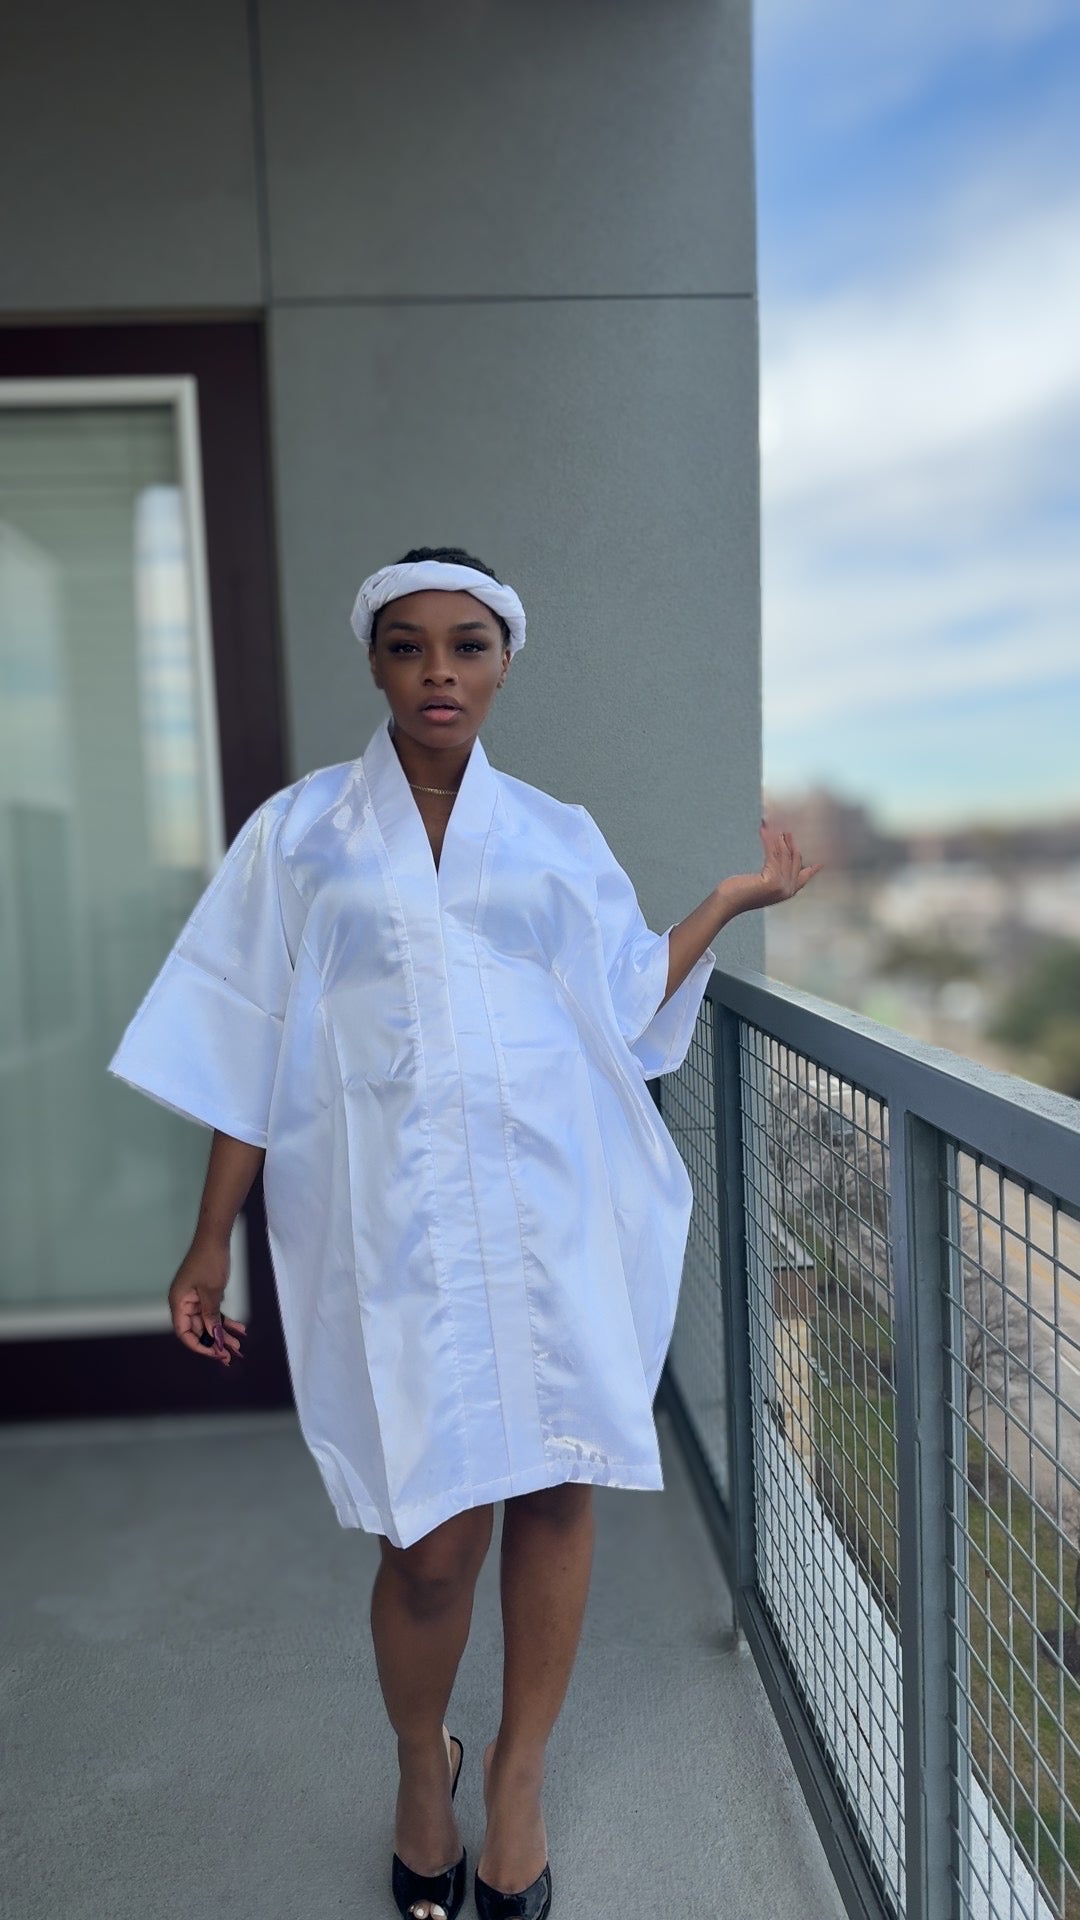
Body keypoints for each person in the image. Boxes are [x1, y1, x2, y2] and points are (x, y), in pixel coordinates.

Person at [107, 547, 822, 1920]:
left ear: (504, 663)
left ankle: (517, 1778)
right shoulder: (300, 837)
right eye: (409, 646)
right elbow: (247, 1040)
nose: (439, 670)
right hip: (394, 1232)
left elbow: (622, 1000)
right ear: (376, 664)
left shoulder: (555, 833)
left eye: (468, 645)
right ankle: (417, 1762)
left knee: (554, 1490)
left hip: (550, 1212)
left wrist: (728, 904)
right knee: (428, 1543)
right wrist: (212, 1239)